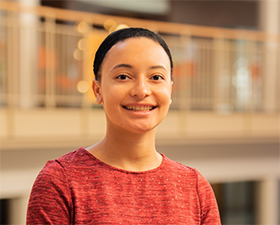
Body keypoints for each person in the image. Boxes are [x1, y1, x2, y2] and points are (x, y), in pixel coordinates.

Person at [27, 27, 221, 224]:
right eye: (123, 76)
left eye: (156, 77)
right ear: (97, 90)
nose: (141, 90)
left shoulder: (194, 187)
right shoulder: (59, 181)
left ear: (170, 90)